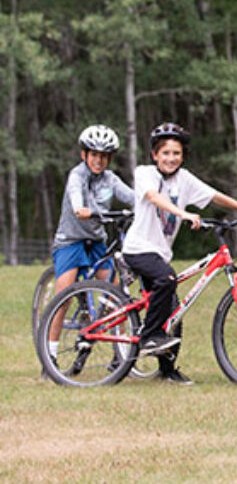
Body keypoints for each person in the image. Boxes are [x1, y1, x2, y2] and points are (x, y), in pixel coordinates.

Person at [121, 122, 237, 385]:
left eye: (176, 153)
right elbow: (154, 197)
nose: (171, 158)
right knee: (166, 280)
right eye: (165, 153)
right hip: (138, 248)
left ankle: (167, 370)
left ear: (183, 156)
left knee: (174, 309)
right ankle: (148, 337)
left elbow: (215, 196)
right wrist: (184, 213)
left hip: (160, 253)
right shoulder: (144, 173)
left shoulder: (184, 180)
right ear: (155, 155)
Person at [45, 125, 135, 371]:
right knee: (64, 294)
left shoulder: (110, 179)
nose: (99, 160)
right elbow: (76, 196)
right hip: (70, 240)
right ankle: (50, 356)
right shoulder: (77, 175)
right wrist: (80, 208)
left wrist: (150, 205)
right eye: (94, 154)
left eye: (104, 156)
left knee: (117, 293)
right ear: (84, 155)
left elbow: (132, 196)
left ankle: (122, 354)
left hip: (96, 241)